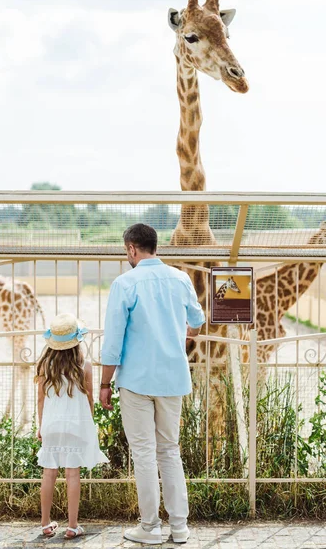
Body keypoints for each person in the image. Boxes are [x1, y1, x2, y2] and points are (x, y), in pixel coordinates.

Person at [100, 223, 205, 545]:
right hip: (173, 379)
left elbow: (114, 339)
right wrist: (186, 331)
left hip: (136, 380)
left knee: (144, 454)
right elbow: (198, 321)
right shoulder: (180, 278)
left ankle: (150, 527)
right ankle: (180, 526)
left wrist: (105, 383)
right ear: (154, 245)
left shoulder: (125, 283)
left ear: (132, 248)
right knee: (169, 451)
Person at [36, 313, 108, 539]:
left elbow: (40, 399)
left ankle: (46, 524)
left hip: (51, 425)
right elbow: (88, 399)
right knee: (72, 474)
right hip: (76, 425)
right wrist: (91, 422)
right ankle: (72, 525)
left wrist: (41, 426)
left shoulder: (45, 366)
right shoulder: (84, 366)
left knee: (49, 473)